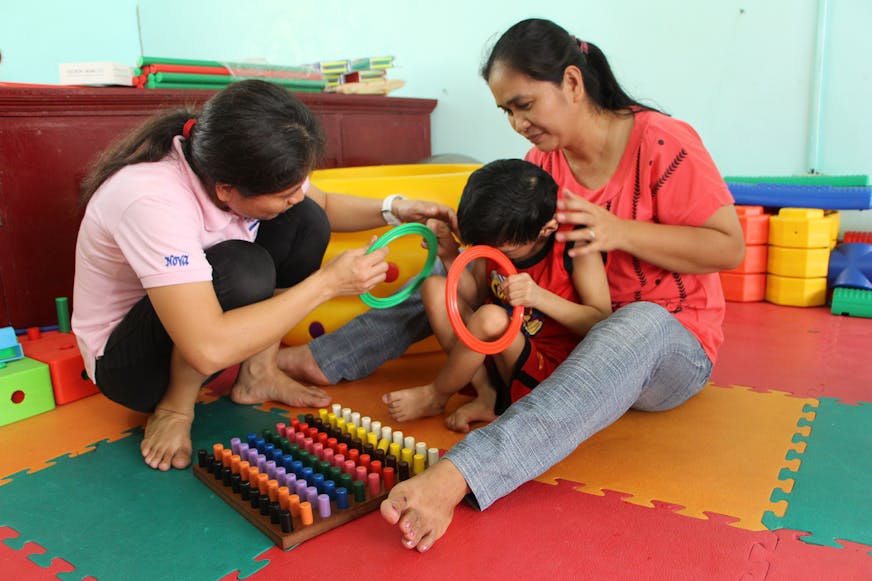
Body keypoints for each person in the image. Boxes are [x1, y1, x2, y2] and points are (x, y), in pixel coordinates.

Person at [281, 18, 745, 551]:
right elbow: (498, 263)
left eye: (524, 104)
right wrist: (467, 248)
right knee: (454, 267)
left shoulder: (662, 142)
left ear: (572, 82)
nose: (517, 123)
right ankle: (323, 358)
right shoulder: (541, 163)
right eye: (506, 111)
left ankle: (460, 475)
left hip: (667, 343)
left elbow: (729, 247)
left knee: (631, 323)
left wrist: (619, 231)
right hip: (562, 330)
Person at [71, 79, 455, 472]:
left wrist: (398, 209)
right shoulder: (151, 200)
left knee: (306, 219)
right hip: (132, 367)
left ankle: (258, 373)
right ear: (226, 190)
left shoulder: (240, 163)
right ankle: (174, 408)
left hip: (195, 329)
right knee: (244, 267)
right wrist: (328, 284)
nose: (296, 193)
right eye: (284, 190)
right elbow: (208, 347)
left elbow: (321, 203)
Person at [382, 159, 611, 431]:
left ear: (545, 230)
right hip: (490, 352)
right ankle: (487, 393)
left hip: (547, 370)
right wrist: (448, 252)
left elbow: (602, 322)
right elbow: (478, 296)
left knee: (491, 318)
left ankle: (437, 394)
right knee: (435, 288)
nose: (493, 254)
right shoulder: (493, 241)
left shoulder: (575, 245)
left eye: (503, 250)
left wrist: (538, 297)